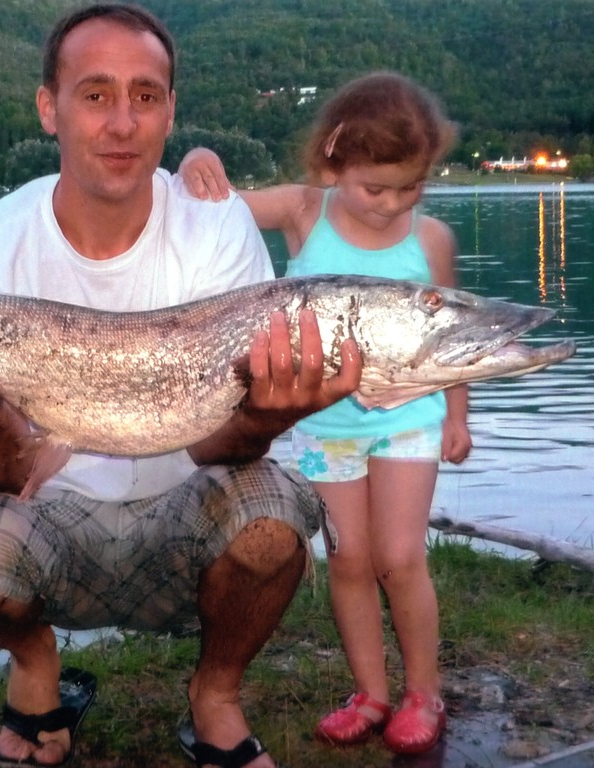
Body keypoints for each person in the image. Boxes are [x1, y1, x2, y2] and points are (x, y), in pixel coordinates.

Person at [0, 5, 361, 768]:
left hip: (184, 506)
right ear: (50, 108)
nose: (122, 122)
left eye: (145, 96)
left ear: (169, 111)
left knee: (273, 521)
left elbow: (220, 447)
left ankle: (215, 697)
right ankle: (35, 661)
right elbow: (1, 472)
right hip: (44, 512)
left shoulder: (217, 229)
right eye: (95, 95)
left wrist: (268, 418)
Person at [179, 71, 472, 756]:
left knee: (399, 558)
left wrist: (457, 414)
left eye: (411, 186)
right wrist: (196, 159)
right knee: (349, 561)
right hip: (323, 428)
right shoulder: (302, 211)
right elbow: (211, 207)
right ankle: (369, 692)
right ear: (334, 160)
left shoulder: (430, 239)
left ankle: (423, 691)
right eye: (375, 188)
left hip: (407, 419)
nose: (392, 204)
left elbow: (454, 339)